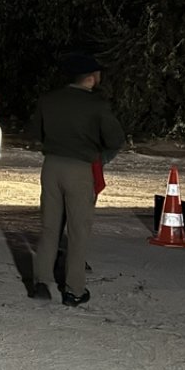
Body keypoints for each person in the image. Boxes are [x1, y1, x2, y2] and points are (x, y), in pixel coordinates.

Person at [26, 53, 125, 305]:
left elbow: (34, 132)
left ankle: (41, 282)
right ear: (91, 79)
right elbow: (115, 139)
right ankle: (74, 290)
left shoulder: (49, 100)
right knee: (78, 231)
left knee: (50, 227)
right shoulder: (97, 105)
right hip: (80, 169)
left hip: (51, 166)